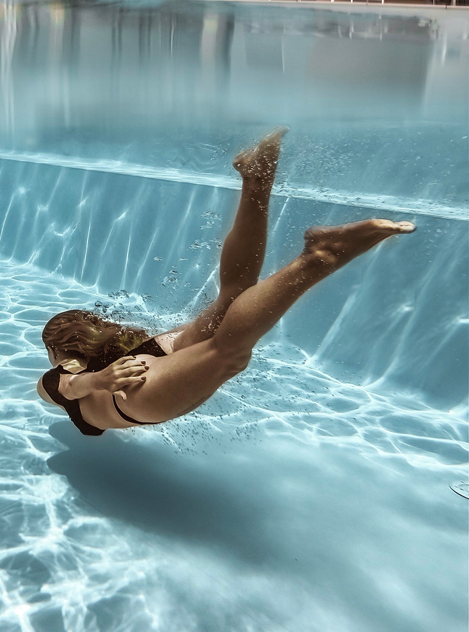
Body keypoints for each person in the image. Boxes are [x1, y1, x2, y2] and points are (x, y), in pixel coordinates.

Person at [37, 129, 414, 436]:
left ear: (57, 348)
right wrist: (104, 375)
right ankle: (256, 180)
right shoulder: (118, 349)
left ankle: (317, 258)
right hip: (157, 353)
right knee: (233, 296)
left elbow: (66, 386)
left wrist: (99, 380)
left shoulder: (65, 372)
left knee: (229, 353)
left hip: (132, 395)